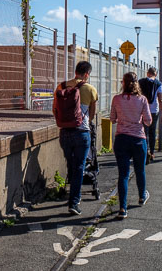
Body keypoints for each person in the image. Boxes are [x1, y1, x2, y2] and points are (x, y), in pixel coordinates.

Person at [53, 61, 98, 215]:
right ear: (86, 74)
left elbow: (55, 109)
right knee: (79, 167)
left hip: (65, 132)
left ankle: (71, 194)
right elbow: (92, 114)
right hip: (82, 133)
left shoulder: (62, 86)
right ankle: (74, 202)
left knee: (71, 165)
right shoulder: (90, 89)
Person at [110, 72, 152, 219]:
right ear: (136, 84)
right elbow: (148, 121)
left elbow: (112, 119)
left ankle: (122, 208)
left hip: (121, 139)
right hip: (138, 140)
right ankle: (141, 196)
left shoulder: (116, 99)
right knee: (140, 170)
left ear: (123, 83)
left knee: (123, 174)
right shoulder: (142, 100)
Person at [138, 67, 162, 163]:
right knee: (152, 132)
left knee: (144, 133)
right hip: (154, 111)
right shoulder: (159, 84)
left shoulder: (141, 82)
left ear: (147, 73)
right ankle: (152, 153)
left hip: (142, 110)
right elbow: (161, 100)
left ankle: (145, 153)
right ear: (156, 74)